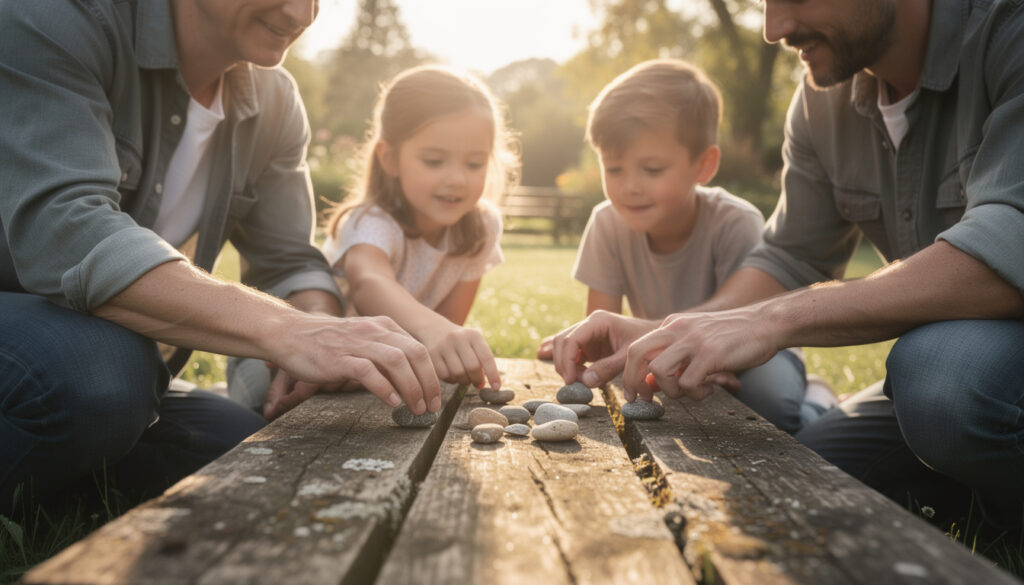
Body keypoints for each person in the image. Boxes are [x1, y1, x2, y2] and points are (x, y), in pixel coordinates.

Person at [549, 0, 1024, 527]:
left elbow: (1010, 241)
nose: (774, 29)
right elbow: (792, 255)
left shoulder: (1009, 31)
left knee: (942, 377)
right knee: (800, 468)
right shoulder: (825, 93)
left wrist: (771, 319)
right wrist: (673, 331)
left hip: (952, 372)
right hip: (934, 386)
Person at [0, 0, 440, 506]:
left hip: (133, 371)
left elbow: (287, 259)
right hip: (50, 340)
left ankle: (71, 462)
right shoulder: (57, 18)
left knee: (243, 448)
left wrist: (322, 332)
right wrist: (287, 329)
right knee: (100, 372)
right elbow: (66, 231)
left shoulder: (274, 101)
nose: (302, 13)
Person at [538, 59, 835, 433]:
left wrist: (715, 364)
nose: (630, 186)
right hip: (665, 353)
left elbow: (750, 322)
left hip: (754, 353)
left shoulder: (735, 222)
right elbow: (604, 335)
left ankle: (820, 400)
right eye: (614, 169)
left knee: (768, 406)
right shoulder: (606, 223)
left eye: (652, 169)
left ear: (704, 165)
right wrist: (580, 350)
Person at [228, 65, 517, 409]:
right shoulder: (370, 221)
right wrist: (433, 330)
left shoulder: (481, 230)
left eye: (474, 164)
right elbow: (368, 282)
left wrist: (449, 347)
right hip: (284, 356)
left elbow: (446, 329)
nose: (456, 179)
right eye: (434, 160)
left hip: (371, 374)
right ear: (390, 159)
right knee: (267, 396)